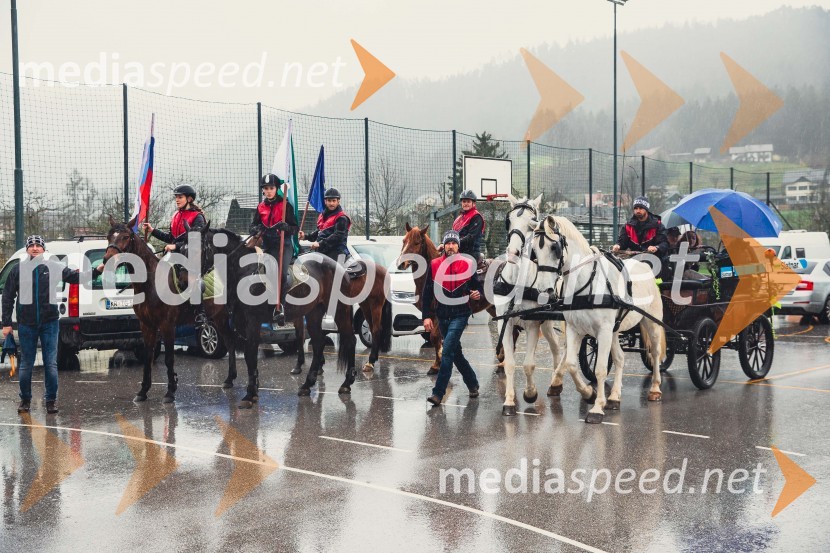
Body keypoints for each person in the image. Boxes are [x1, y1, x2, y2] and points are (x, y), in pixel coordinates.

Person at [1, 235, 101, 415]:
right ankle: (25, 400)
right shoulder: (17, 270)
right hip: (26, 324)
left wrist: (97, 271)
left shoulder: (53, 267)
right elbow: (8, 297)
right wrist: (6, 323)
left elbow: (75, 277)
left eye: (38, 245)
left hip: (50, 323)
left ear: (44, 249)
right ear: (27, 250)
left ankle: (51, 401)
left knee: (51, 364)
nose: (35, 248)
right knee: (26, 364)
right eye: (31, 245)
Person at [421, 230, 483, 406]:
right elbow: (427, 293)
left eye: (454, 243)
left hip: (461, 314)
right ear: (444, 246)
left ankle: (438, 393)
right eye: (448, 243)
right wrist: (426, 316)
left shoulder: (467, 264)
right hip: (442, 316)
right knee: (456, 354)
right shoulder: (434, 265)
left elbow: (477, 287)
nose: (450, 246)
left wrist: (477, 294)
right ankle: (472, 383)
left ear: (458, 246)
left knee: (447, 351)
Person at [142, 184, 208, 326]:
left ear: (189, 199)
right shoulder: (176, 215)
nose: (177, 200)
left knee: (193, 281)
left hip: (190, 255)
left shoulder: (198, 217)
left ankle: (199, 313)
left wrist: (176, 246)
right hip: (173, 255)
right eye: (176, 197)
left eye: (180, 197)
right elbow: (170, 238)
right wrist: (153, 230)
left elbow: (195, 240)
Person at [249, 173, 299, 322]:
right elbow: (253, 225)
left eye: (271, 188)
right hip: (267, 246)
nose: (268, 191)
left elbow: (295, 228)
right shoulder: (261, 207)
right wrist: (255, 230)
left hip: (284, 245)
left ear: (277, 188)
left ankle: (280, 307)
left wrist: (287, 227)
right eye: (266, 188)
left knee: (281, 275)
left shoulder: (285, 205)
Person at [298, 188, 351, 262]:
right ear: (325, 201)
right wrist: (305, 236)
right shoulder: (322, 216)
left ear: (338, 201)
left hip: (337, 252)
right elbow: (319, 233)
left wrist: (320, 243)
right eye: (329, 200)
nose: (331, 203)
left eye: (334, 201)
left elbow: (338, 236)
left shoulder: (342, 218)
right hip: (322, 252)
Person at [449, 190, 486, 264]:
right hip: (457, 251)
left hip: (470, 254)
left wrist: (455, 243)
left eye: (468, 201)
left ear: (473, 203)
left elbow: (471, 237)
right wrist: (443, 243)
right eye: (464, 201)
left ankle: (474, 276)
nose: (466, 204)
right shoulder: (458, 218)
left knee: (464, 273)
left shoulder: (476, 217)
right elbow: (451, 234)